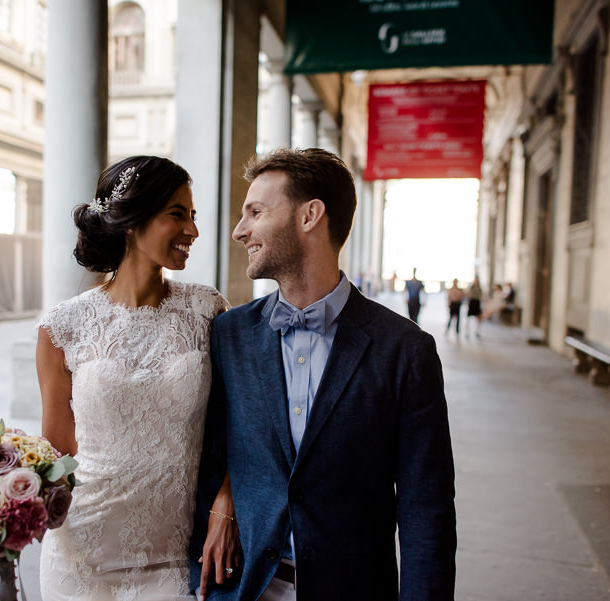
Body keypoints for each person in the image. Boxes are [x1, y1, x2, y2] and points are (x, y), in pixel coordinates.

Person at [191, 148, 456, 600]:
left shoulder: (405, 350)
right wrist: (224, 503)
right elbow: (210, 460)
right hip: (244, 587)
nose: (240, 231)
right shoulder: (230, 334)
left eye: (255, 212)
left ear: (310, 215)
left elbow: (425, 509)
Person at [36, 156, 235, 600]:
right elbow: (55, 453)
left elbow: (239, 426)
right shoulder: (62, 326)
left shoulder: (208, 311)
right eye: (177, 215)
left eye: (194, 216)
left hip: (173, 556)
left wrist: (228, 503)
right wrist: (2, 525)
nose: (193, 231)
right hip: (79, 555)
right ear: (132, 220)